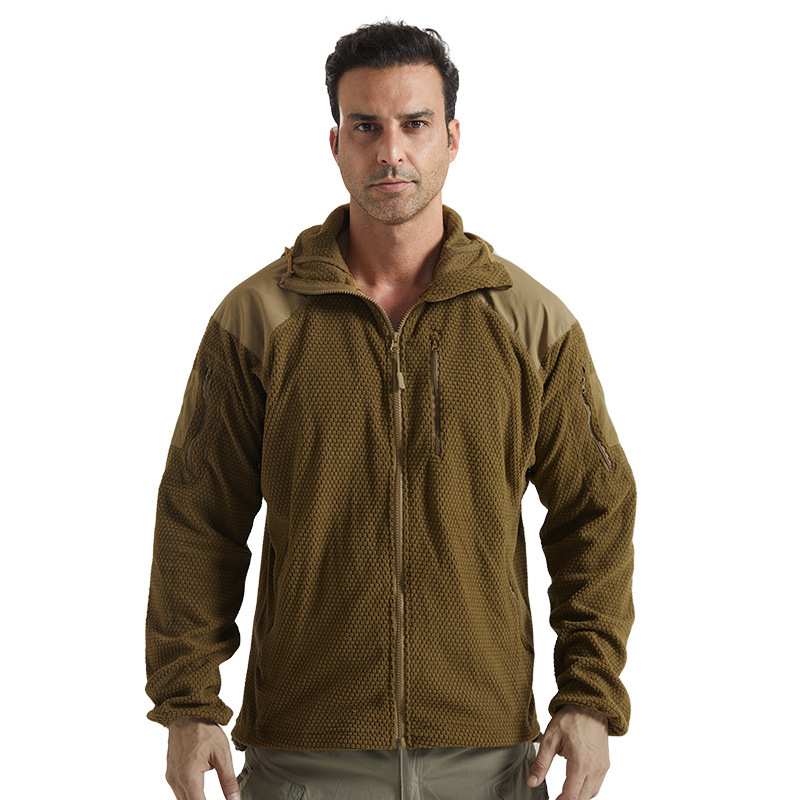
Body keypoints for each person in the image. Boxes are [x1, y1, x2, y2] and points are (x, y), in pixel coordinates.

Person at [145, 20, 636, 800]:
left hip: (488, 757)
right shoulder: (259, 319)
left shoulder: (529, 323)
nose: (391, 152)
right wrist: (187, 703)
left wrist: (589, 695)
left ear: (453, 138)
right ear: (336, 143)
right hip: (307, 755)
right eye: (366, 127)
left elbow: (596, 508)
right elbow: (198, 515)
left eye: (415, 125)